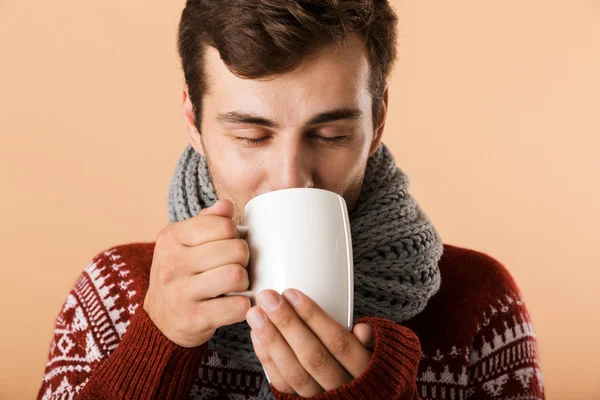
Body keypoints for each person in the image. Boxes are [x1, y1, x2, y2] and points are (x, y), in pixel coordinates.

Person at [37, 1, 544, 399]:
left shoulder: (479, 303)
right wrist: (156, 343)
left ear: (377, 120)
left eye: (329, 134)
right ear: (193, 121)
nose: (290, 180)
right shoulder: (115, 295)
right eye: (252, 136)